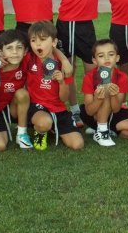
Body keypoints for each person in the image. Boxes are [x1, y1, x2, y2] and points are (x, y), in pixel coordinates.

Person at [56, 0, 110, 126]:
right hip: (66, 25)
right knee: (69, 69)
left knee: (92, 70)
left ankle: (92, 110)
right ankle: (74, 110)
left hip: (87, 26)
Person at [25, 21, 84, 151]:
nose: (38, 44)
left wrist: (62, 82)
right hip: (37, 107)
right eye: (33, 40)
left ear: (54, 42)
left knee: (77, 144)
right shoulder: (29, 59)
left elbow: (63, 99)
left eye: (43, 40)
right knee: (44, 122)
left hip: (58, 109)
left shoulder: (64, 66)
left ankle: (52, 127)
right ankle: (40, 132)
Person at [80, 39, 128, 146]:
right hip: (93, 114)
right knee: (105, 90)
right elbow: (89, 111)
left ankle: (108, 130)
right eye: (101, 56)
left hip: (114, 112)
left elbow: (116, 109)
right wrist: (98, 99)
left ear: (117, 58)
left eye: (110, 54)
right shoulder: (89, 77)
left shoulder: (122, 77)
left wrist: (114, 95)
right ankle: (102, 131)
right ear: (94, 60)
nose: (107, 58)